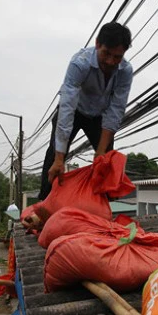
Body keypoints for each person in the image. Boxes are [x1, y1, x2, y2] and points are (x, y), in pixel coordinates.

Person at [38, 22, 133, 200]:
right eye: (106, 54)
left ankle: (101, 207)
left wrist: (101, 151)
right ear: (97, 44)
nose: (111, 61)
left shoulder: (125, 72)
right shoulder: (79, 63)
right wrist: (60, 158)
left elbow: (115, 110)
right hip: (74, 111)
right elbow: (67, 108)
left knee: (105, 162)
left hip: (99, 117)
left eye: (117, 57)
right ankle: (43, 204)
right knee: (53, 159)